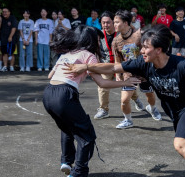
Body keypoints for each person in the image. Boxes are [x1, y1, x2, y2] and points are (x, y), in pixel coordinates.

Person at [64, 24, 185, 177]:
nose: (141, 51)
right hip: (174, 110)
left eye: (146, 47)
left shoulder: (183, 65)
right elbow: (113, 67)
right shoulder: (143, 63)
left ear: (159, 50)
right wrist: (86, 67)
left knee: (181, 144)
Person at [43, 25, 141, 177]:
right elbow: (103, 83)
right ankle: (78, 173)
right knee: (87, 136)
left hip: (48, 94)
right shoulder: (88, 55)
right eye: (97, 39)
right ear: (90, 40)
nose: (99, 42)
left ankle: (66, 161)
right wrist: (126, 83)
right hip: (64, 95)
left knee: (67, 129)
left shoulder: (67, 53)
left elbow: (50, 75)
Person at [111, 10, 161, 129]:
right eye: (114, 22)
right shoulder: (116, 41)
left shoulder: (140, 34)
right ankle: (128, 120)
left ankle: (152, 108)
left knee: (150, 95)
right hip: (129, 73)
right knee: (124, 100)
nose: (114, 25)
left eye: (117, 22)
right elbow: (118, 60)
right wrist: (118, 74)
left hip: (145, 72)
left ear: (126, 23)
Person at [94, 11, 117, 119]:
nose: (105, 25)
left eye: (108, 22)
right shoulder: (99, 35)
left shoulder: (121, 33)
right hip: (106, 64)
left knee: (129, 86)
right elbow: (95, 49)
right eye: (103, 23)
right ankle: (103, 109)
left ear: (113, 22)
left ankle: (135, 98)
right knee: (102, 86)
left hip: (120, 64)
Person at [0, 7, 18, 72]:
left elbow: (14, 28)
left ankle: (11, 66)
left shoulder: (12, 18)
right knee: (4, 53)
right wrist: (0, 21)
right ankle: (5, 66)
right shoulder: (1, 18)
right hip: (3, 38)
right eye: (3, 12)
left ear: (9, 12)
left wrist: (10, 36)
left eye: (6, 12)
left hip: (12, 39)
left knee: (12, 53)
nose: (4, 13)